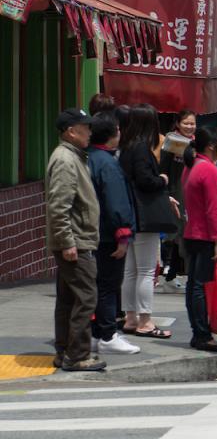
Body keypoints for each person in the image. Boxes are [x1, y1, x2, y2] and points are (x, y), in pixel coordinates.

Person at [45, 108, 105, 371]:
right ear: (71, 131)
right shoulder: (66, 160)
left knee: (69, 298)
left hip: (76, 239)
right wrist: (67, 241)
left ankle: (65, 351)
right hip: (75, 241)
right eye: (86, 127)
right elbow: (59, 205)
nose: (90, 132)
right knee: (86, 298)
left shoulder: (74, 157)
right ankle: (77, 355)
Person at [87, 113, 140, 355]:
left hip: (92, 232)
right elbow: (116, 201)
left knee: (97, 286)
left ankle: (98, 332)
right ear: (112, 135)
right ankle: (107, 334)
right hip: (108, 234)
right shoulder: (107, 163)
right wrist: (123, 234)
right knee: (108, 285)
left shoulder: (88, 158)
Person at [118, 104, 173, 340]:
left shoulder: (126, 148)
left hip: (131, 215)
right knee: (146, 270)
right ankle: (145, 321)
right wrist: (162, 179)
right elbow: (145, 181)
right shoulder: (141, 149)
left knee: (131, 270)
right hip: (144, 217)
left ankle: (130, 318)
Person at [182, 127, 217, 353]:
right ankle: (203, 335)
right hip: (205, 236)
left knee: (193, 286)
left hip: (192, 233)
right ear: (212, 146)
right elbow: (213, 210)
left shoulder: (191, 167)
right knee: (200, 286)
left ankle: (198, 332)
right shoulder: (209, 170)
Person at [159, 109, 197, 293]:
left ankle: (172, 275)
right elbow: (163, 169)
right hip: (177, 194)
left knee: (183, 236)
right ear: (178, 124)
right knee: (178, 236)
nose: (190, 127)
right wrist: (166, 193)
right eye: (186, 123)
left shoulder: (197, 142)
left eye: (192, 123)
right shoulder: (171, 142)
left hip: (193, 193)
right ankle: (175, 274)